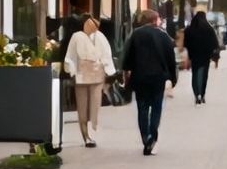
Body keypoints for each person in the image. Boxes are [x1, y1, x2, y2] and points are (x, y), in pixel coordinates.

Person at [123, 9, 178, 155]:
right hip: (158, 77)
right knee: (156, 106)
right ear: (154, 20)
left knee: (142, 107)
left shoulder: (135, 34)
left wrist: (126, 70)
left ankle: (145, 136)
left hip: (140, 76)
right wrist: (172, 78)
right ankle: (153, 135)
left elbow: (128, 55)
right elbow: (170, 58)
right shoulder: (163, 35)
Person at [64, 17, 115, 147]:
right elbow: (71, 55)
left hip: (97, 73)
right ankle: (86, 135)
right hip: (81, 74)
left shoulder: (100, 37)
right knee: (82, 106)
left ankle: (93, 129)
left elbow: (106, 54)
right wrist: (72, 70)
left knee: (95, 104)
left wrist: (108, 71)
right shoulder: (77, 37)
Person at [183, 10, 221, 105]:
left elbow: (185, 44)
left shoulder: (189, 30)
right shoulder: (209, 29)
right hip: (205, 56)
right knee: (204, 75)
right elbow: (214, 43)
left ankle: (196, 94)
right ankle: (202, 94)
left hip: (194, 55)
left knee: (195, 74)